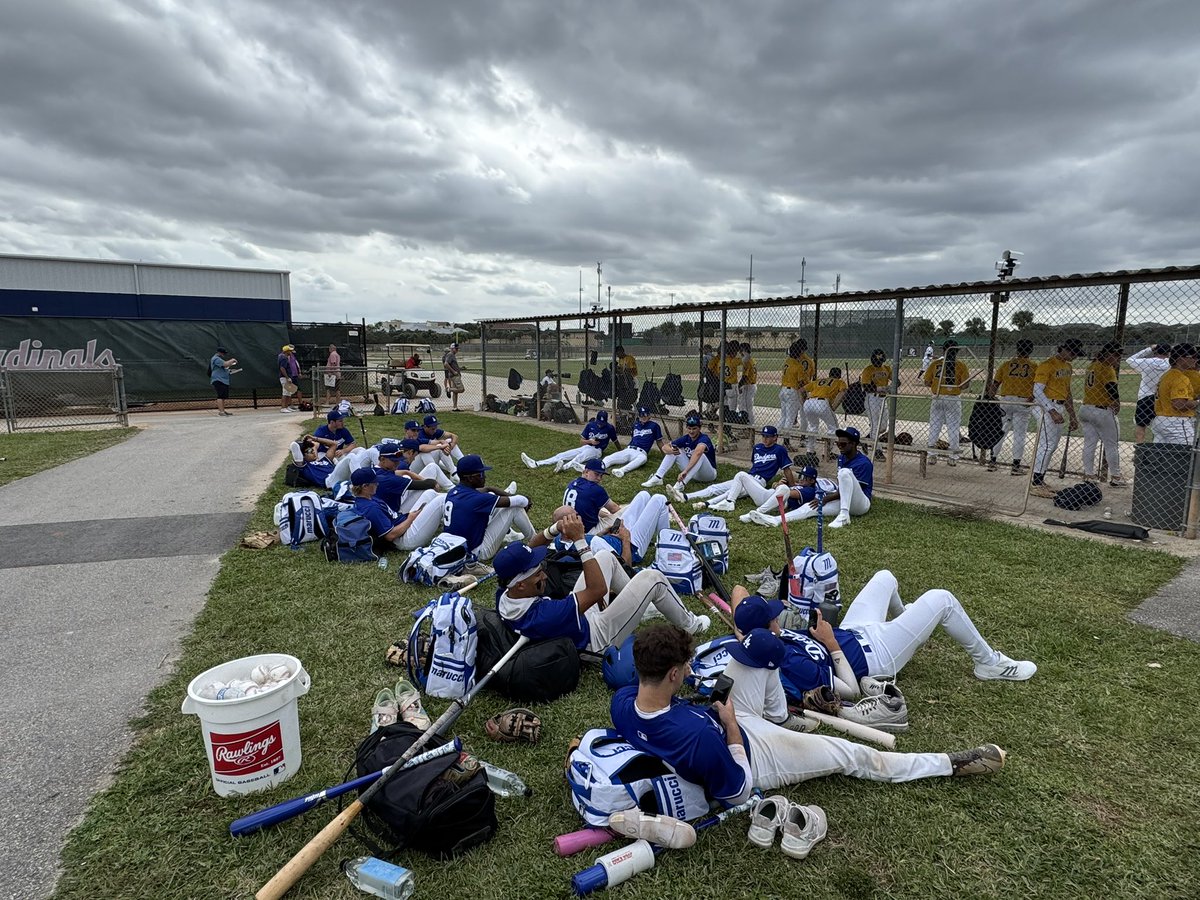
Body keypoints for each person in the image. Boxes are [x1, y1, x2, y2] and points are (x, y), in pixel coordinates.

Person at [610, 623, 1009, 814]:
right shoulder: (696, 737)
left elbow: (661, 721)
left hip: (723, 721)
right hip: (755, 753)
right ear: (676, 674)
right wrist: (731, 726)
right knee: (852, 755)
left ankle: (783, 713)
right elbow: (738, 791)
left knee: (760, 650)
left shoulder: (624, 702)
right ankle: (947, 764)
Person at [494, 513, 709, 656]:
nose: (543, 575)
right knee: (653, 578)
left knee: (605, 556)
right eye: (537, 574)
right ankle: (691, 624)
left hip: (576, 624)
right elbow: (597, 591)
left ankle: (638, 607)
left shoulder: (505, 593)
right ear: (521, 585)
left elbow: (531, 546)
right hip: (596, 642)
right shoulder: (545, 613)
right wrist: (580, 541)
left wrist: (554, 528)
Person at [442, 454, 535, 562]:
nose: (484, 476)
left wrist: (491, 488)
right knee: (515, 508)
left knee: (494, 499)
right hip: (477, 552)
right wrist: (526, 501)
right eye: (481, 474)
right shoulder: (477, 499)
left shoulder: (454, 492)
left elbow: (486, 490)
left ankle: (509, 533)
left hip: (455, 547)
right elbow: (520, 501)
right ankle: (536, 540)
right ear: (470, 478)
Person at [687, 425, 794, 512]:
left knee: (731, 491)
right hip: (749, 477)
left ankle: (707, 504)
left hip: (759, 481)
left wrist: (793, 486)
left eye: (768, 436)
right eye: (763, 436)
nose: (765, 439)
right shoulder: (757, 447)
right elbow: (755, 465)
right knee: (714, 487)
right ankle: (687, 497)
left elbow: (787, 470)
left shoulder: (779, 450)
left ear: (775, 437)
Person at [347, 467, 446, 553]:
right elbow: (391, 535)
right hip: (404, 539)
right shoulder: (370, 508)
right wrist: (410, 519)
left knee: (430, 493)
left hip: (404, 524)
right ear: (365, 486)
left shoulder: (368, 497)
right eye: (374, 482)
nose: (377, 483)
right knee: (441, 501)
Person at [1031, 338, 1083, 495]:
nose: (1075, 356)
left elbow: (1067, 393)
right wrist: (1051, 411)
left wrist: (1072, 415)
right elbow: (1037, 391)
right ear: (1064, 349)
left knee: (1050, 445)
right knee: (1046, 445)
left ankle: (1039, 480)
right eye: (1073, 353)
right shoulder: (1047, 365)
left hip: (1058, 406)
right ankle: (1035, 484)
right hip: (1045, 406)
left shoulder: (1068, 367)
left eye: (1076, 354)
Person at [1079, 342, 1128, 487]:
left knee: (1089, 443)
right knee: (1111, 444)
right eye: (1116, 355)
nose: (1118, 358)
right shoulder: (1107, 368)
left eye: (1119, 355)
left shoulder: (1092, 366)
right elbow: (1111, 388)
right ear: (1107, 355)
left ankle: (1089, 475)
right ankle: (1116, 477)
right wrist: (1116, 402)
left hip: (1085, 409)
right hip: (1101, 411)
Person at [641, 413, 717, 502]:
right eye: (689, 428)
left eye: (694, 428)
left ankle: (680, 485)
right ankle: (658, 477)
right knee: (675, 449)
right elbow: (664, 447)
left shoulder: (704, 438)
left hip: (708, 474)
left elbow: (698, 453)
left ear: (699, 428)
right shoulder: (686, 438)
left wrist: (685, 471)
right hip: (693, 473)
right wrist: (671, 451)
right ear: (686, 428)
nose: (691, 431)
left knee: (701, 455)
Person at [989, 339, 1037, 475]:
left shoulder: (1006, 364)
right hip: (1023, 401)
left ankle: (992, 461)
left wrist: (991, 398)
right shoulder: (1034, 366)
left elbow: (995, 383)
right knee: (1019, 434)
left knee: (1001, 431)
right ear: (1030, 351)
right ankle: (1015, 466)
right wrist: (1031, 398)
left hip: (1006, 400)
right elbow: (1038, 386)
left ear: (1017, 349)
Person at [522, 410, 619, 473]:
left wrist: (620, 451)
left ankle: (563, 467)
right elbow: (581, 441)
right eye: (599, 423)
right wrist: (590, 441)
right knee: (562, 455)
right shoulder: (590, 425)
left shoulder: (610, 428)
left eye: (602, 423)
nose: (600, 425)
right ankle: (537, 463)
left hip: (597, 450)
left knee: (580, 457)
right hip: (587, 446)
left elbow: (615, 440)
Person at [924, 340, 970, 465]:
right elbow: (966, 385)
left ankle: (932, 455)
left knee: (934, 426)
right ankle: (952, 458)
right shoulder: (960, 365)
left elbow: (926, 382)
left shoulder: (936, 364)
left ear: (944, 350)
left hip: (937, 397)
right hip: (953, 398)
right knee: (953, 428)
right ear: (956, 351)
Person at [743, 465, 837, 526]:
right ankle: (730, 500)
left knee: (784, 489)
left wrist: (779, 486)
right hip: (767, 495)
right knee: (742, 475)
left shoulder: (810, 490)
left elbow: (788, 493)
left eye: (804, 477)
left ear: (812, 481)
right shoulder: (800, 485)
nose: (800, 479)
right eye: (800, 476)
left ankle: (758, 512)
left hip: (777, 502)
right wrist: (779, 484)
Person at [1152, 343, 1200, 444]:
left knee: (1163, 456)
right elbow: (1179, 404)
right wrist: (1197, 402)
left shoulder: (1167, 375)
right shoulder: (1180, 378)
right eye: (1193, 357)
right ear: (1181, 358)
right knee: (1188, 455)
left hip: (1161, 420)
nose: (1196, 360)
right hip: (1177, 422)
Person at [601, 406, 663, 478]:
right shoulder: (635, 425)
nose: (643, 417)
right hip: (629, 449)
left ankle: (621, 470)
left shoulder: (654, 426)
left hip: (641, 452)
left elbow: (659, 442)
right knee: (609, 458)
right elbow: (633, 438)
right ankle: (597, 467)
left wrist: (665, 456)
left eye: (645, 415)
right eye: (641, 415)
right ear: (639, 416)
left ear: (649, 415)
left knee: (643, 459)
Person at [563, 458, 621, 535]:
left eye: (601, 475)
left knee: (601, 509)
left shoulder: (572, 483)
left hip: (567, 529)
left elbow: (586, 508)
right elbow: (615, 509)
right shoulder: (595, 489)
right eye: (596, 474)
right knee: (627, 509)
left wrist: (606, 515)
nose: (599, 478)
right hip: (588, 532)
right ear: (586, 471)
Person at [1127, 343, 1172, 443]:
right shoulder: (1171, 363)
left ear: (1156, 351)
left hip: (1145, 396)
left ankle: (1139, 452)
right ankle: (1157, 453)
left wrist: (1149, 349)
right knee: (1160, 428)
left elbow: (1130, 359)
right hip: (1162, 398)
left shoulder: (1147, 362)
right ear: (1169, 353)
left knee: (1141, 427)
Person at [800, 367, 847, 452]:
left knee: (813, 426)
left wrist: (804, 403)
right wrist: (834, 406)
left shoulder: (818, 381)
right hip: (822, 403)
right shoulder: (840, 382)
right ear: (839, 376)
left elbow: (801, 390)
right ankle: (828, 451)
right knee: (833, 427)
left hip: (808, 402)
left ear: (829, 374)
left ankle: (810, 451)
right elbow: (843, 392)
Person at [778, 339, 815, 433]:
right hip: (797, 390)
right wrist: (804, 393)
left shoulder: (787, 361)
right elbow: (805, 380)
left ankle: (775, 436)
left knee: (784, 416)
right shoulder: (808, 362)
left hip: (783, 390)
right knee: (797, 417)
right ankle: (789, 440)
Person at [859, 349, 891, 440]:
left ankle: (867, 440)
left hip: (883, 399)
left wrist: (893, 385)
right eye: (876, 361)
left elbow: (897, 381)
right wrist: (881, 388)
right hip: (872, 399)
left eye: (880, 361)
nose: (878, 363)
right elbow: (866, 387)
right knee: (875, 425)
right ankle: (877, 450)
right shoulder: (868, 370)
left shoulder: (887, 368)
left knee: (883, 427)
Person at [209, 347, 237, 417]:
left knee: (223, 396)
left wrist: (230, 370)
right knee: (220, 396)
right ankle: (221, 412)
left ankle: (223, 410)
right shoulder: (216, 359)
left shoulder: (219, 359)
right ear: (219, 352)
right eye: (223, 353)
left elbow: (224, 367)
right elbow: (225, 364)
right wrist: (232, 360)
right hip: (218, 379)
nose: (224, 354)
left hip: (223, 380)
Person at [277, 344, 302, 413]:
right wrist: (287, 377)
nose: (290, 352)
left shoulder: (283, 356)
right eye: (289, 351)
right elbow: (282, 368)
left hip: (287, 377)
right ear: (286, 351)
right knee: (285, 392)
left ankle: (286, 406)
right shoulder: (283, 357)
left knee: (288, 392)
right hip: (284, 377)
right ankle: (283, 407)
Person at [737, 342, 758, 425]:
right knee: (749, 407)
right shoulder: (752, 360)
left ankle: (747, 426)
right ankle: (750, 426)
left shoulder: (747, 361)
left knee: (744, 407)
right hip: (752, 385)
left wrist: (739, 386)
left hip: (748, 386)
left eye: (740, 350)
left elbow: (745, 377)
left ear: (744, 350)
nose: (739, 352)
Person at [442, 342, 464, 411]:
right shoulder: (450, 354)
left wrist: (460, 368)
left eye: (457, 349)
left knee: (455, 392)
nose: (457, 350)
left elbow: (452, 365)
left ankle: (455, 407)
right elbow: (446, 364)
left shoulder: (452, 355)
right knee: (461, 389)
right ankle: (449, 389)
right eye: (456, 349)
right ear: (452, 348)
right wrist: (454, 371)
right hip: (454, 376)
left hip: (453, 375)